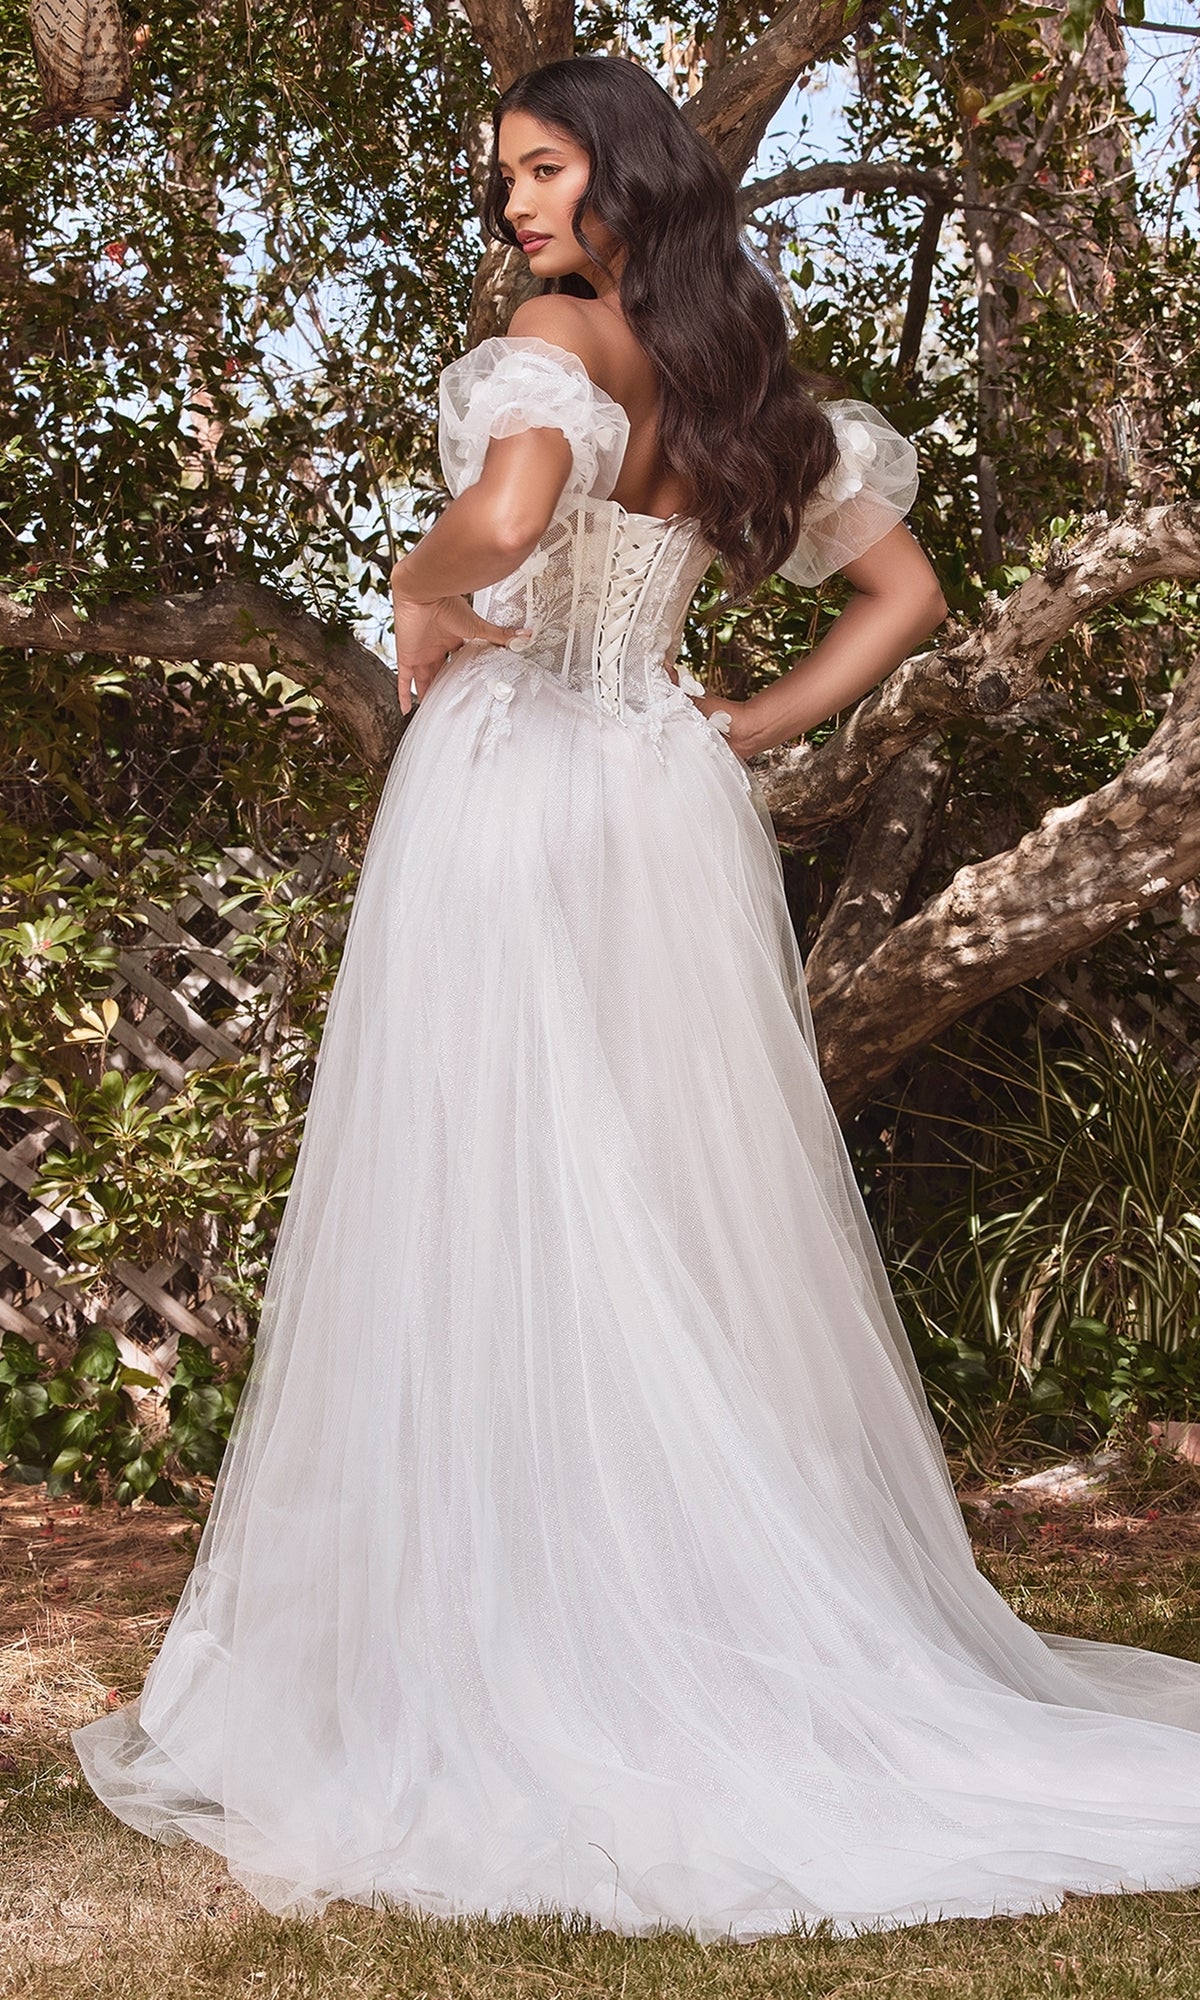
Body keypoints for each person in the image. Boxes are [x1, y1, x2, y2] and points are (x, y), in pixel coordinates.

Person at [74, 55, 1200, 1944]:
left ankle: (520, 1631)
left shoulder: (553, 336)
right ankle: (650, 1607)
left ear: (623, 172)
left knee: (494, 1186)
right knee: (654, 1203)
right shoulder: (739, 369)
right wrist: (746, 721)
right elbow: (903, 595)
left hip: (519, 787)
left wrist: (419, 600)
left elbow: (508, 523)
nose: (514, 204)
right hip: (662, 801)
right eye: (501, 177)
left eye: (541, 166)